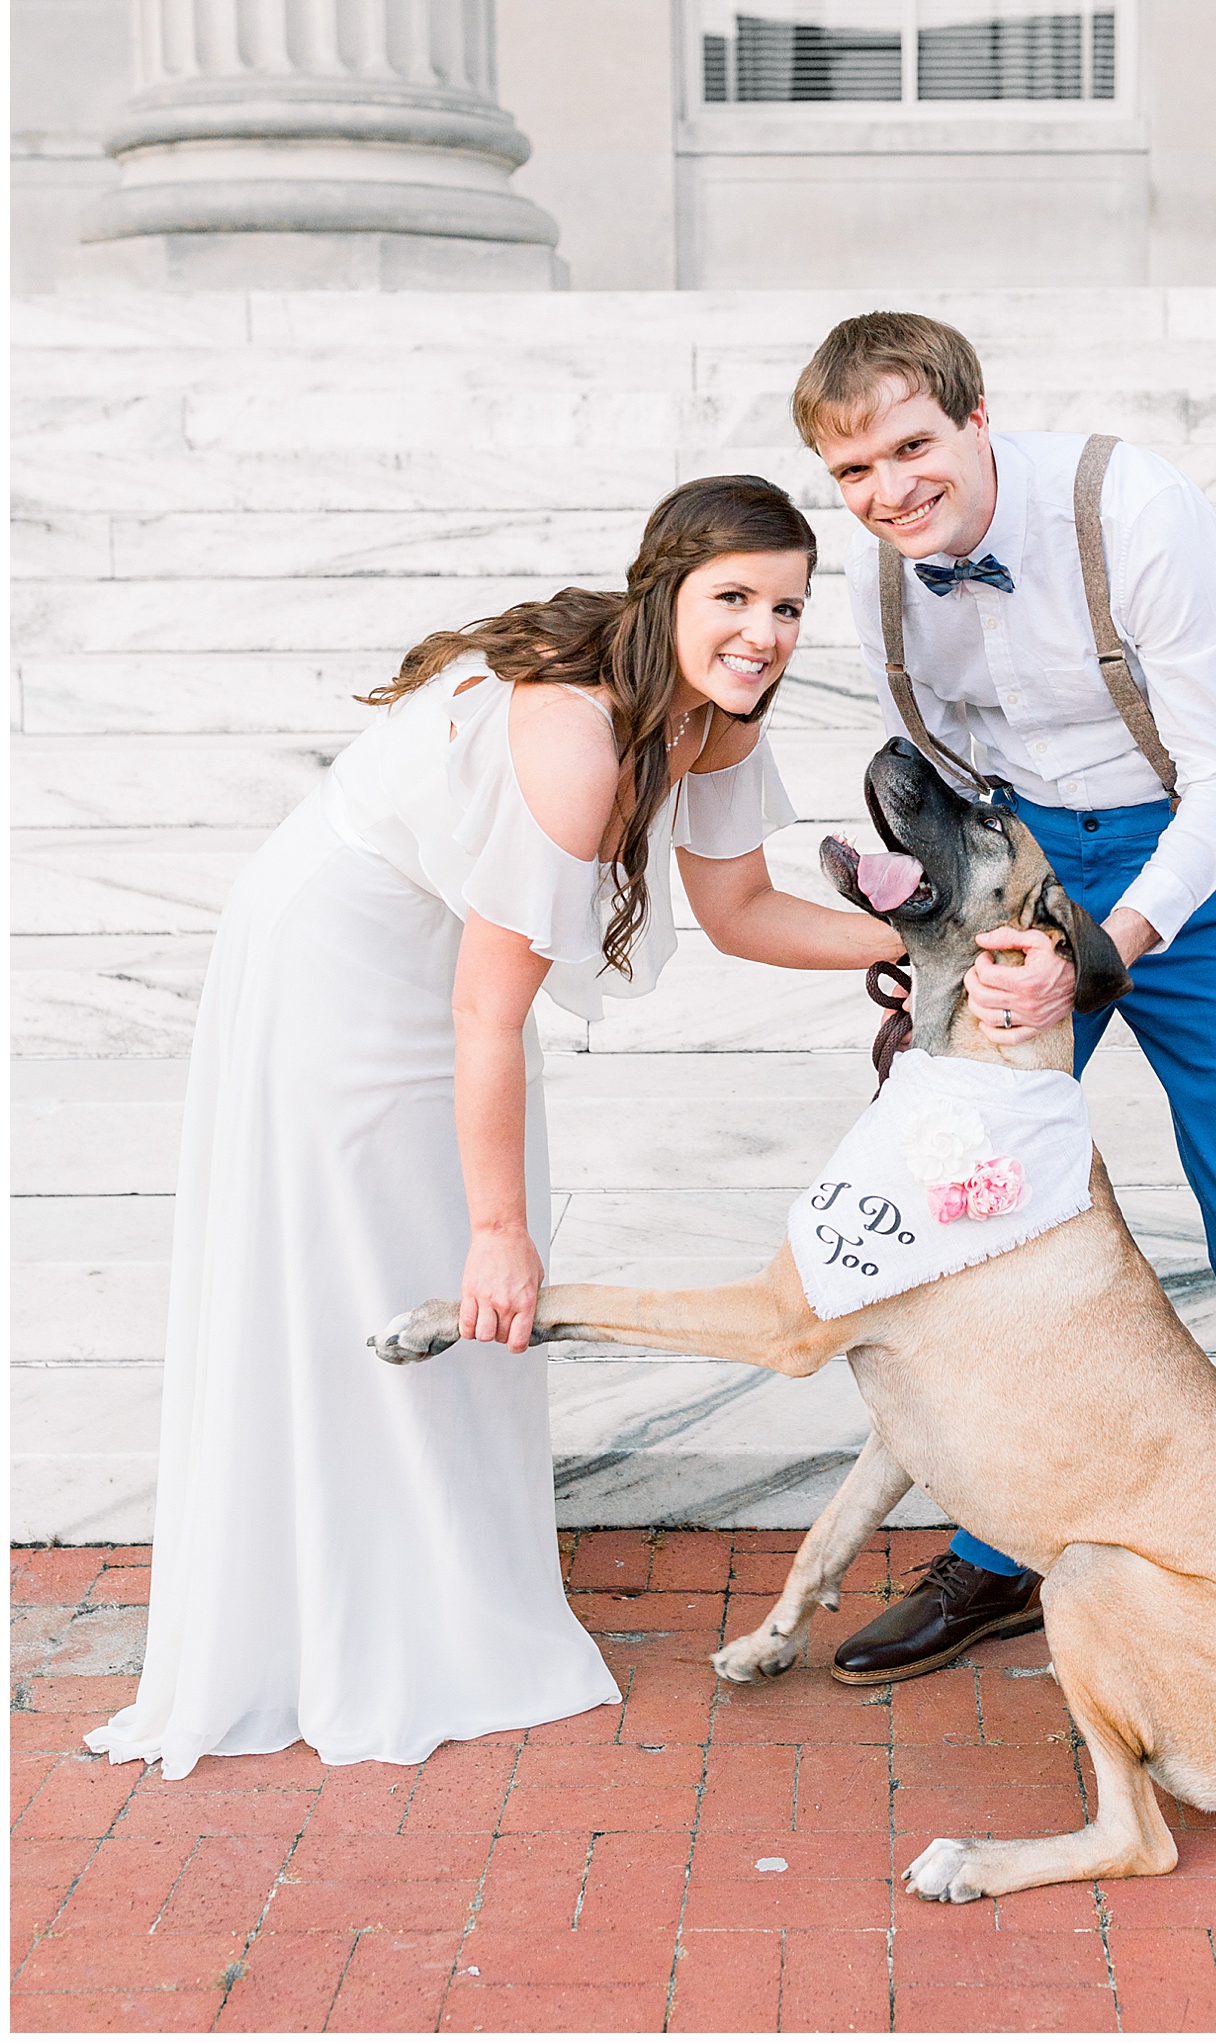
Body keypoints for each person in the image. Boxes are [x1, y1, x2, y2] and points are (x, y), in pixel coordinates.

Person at [89, 476, 902, 1780]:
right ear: (667, 590)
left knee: (462, 1290)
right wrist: (499, 1228)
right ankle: (342, 1629)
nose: (765, 629)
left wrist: (928, 945)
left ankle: (443, 1599)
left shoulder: (717, 719)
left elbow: (745, 909)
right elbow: (486, 1006)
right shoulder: (581, 737)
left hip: (455, 974)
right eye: (734, 597)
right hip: (341, 959)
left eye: (789, 604)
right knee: (408, 1264)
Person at [789, 314, 1216, 1747]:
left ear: (974, 417)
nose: (891, 489)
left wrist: (1101, 951)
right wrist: (967, 946)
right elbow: (956, 776)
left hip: (1189, 874)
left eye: (911, 445)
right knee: (980, 1228)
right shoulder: (885, 589)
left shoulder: (1134, 510)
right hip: (1030, 874)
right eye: (854, 470)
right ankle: (1005, 1550)